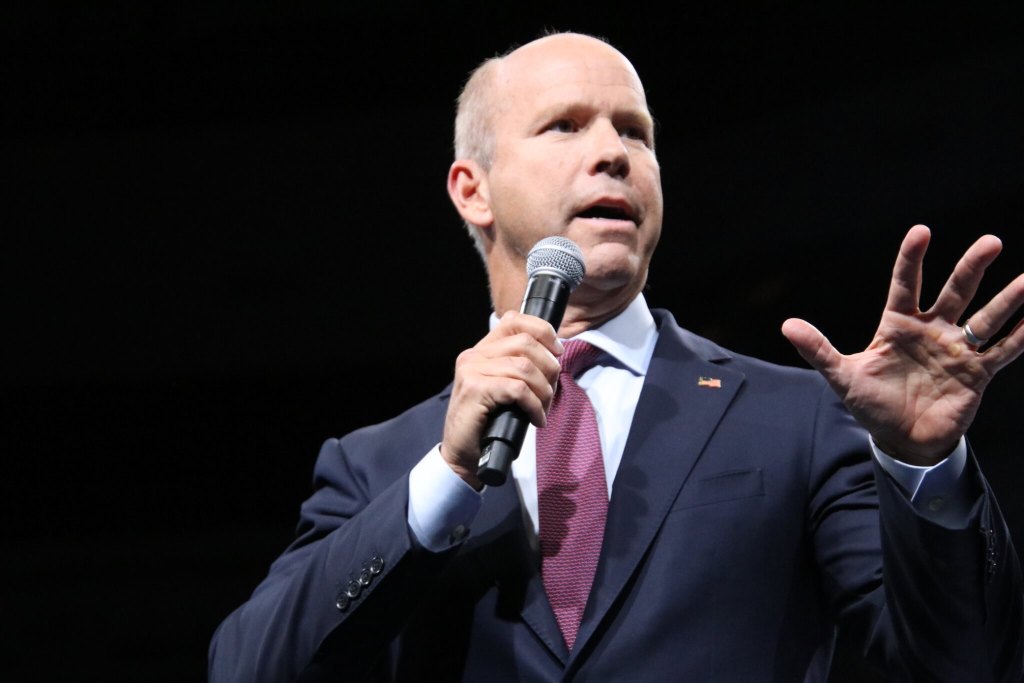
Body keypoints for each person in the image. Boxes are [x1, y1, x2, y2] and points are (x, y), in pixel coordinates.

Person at [208, 32, 1024, 681]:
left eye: (635, 131)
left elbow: (964, 663)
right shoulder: (378, 466)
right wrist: (446, 478)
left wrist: (926, 465)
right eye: (565, 125)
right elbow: (246, 667)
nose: (614, 153)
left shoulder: (799, 418)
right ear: (472, 189)